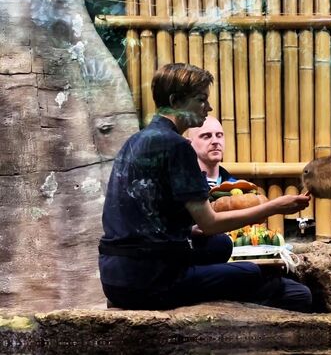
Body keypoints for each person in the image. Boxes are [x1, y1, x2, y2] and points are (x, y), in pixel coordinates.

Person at [99, 63, 311, 312]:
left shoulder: (135, 141)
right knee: (257, 274)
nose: (208, 107)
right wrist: (274, 206)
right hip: (150, 280)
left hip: (115, 274)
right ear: (175, 100)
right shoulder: (177, 146)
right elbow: (210, 223)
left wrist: (187, 231)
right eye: (201, 100)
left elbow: (144, 217)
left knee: (221, 245)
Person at [186, 116, 313, 311]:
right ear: (189, 143)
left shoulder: (240, 187)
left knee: (300, 294)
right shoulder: (186, 185)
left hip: (243, 262)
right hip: (205, 264)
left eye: (219, 135)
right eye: (206, 136)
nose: (215, 141)